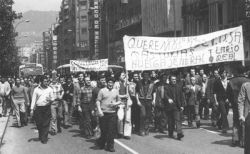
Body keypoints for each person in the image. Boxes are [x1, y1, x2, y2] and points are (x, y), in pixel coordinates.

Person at [96, 77, 120, 152]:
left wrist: (115, 103)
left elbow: (119, 101)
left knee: (111, 130)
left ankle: (110, 146)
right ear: (106, 83)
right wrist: (99, 110)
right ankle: (102, 143)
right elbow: (98, 101)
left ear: (113, 84)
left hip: (112, 114)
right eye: (109, 82)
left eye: (112, 83)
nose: (110, 84)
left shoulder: (116, 91)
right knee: (104, 130)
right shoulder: (102, 91)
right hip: (103, 114)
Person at [227, 67, 250, 146]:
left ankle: (235, 139)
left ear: (236, 72)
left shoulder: (231, 81)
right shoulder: (247, 81)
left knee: (236, 121)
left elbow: (228, 94)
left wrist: (231, 102)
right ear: (243, 72)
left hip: (235, 103)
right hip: (246, 104)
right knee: (244, 122)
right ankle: (243, 141)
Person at [30, 76, 54, 144]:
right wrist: (31, 109)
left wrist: (51, 100)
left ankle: (44, 138)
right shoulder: (36, 89)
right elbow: (33, 100)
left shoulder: (50, 89)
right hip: (38, 108)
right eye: (45, 81)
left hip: (47, 108)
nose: (47, 83)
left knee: (46, 123)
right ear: (41, 82)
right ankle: (41, 135)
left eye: (47, 81)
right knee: (39, 123)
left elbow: (53, 98)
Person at [164, 75, 185, 140]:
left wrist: (182, 105)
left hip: (177, 106)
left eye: (175, 79)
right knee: (171, 121)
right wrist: (168, 99)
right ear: (170, 80)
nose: (174, 80)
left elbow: (181, 96)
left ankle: (179, 133)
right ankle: (170, 133)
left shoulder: (178, 87)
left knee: (178, 120)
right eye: (172, 79)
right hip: (169, 106)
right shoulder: (166, 87)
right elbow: (165, 95)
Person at [136, 71, 156, 136]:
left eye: (147, 75)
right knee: (143, 115)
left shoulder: (152, 83)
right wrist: (137, 101)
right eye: (144, 75)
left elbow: (154, 92)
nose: (146, 76)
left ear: (149, 76)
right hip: (141, 100)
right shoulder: (139, 83)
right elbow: (136, 92)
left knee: (148, 115)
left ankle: (146, 129)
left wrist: (154, 100)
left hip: (149, 100)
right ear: (143, 75)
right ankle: (141, 130)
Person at [114, 72, 132, 140]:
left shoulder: (127, 83)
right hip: (120, 102)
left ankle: (127, 134)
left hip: (127, 102)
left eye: (125, 75)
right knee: (120, 118)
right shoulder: (116, 84)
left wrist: (129, 86)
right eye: (122, 75)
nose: (124, 76)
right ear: (119, 76)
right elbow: (116, 94)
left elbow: (131, 92)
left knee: (127, 118)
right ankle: (120, 132)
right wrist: (124, 96)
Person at [213, 69, 230, 133]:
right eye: (222, 73)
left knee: (226, 113)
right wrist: (216, 101)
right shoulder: (217, 81)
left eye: (224, 73)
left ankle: (219, 123)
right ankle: (225, 127)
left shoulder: (229, 80)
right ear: (220, 74)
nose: (223, 74)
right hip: (220, 99)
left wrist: (229, 99)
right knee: (223, 112)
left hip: (227, 99)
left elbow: (230, 91)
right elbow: (214, 92)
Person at [238, 81, 250, 154]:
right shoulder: (245, 85)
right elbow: (241, 101)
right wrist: (241, 115)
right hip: (248, 116)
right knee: (248, 142)